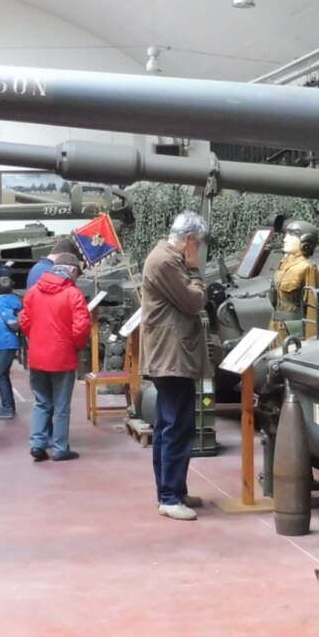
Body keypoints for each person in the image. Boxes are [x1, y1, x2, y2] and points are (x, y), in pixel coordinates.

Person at [141, 211, 209, 521]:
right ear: (189, 240)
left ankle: (174, 490)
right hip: (172, 357)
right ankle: (169, 497)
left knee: (172, 425)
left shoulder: (166, 258)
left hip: (172, 355)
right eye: (198, 243)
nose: (199, 249)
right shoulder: (167, 262)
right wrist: (195, 271)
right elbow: (194, 301)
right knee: (175, 426)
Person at [19, 252, 91, 462]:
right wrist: (75, 346)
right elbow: (81, 327)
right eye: (77, 273)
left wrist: (36, 340)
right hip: (63, 357)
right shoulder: (73, 294)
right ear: (71, 270)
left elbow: (24, 321)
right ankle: (60, 448)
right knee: (61, 406)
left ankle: (37, 444)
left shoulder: (33, 292)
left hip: (38, 356)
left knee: (41, 402)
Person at [268, 219, 319, 344]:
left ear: (305, 241)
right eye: (286, 234)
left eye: (291, 235)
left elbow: (313, 307)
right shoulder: (283, 264)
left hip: (294, 331)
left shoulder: (307, 267)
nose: (285, 239)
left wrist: (311, 340)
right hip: (276, 328)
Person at [0, 276, 22, 419]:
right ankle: (8, 405)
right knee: (3, 374)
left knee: (0, 376)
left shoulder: (1, 303)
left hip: (6, 342)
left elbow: (12, 322)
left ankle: (7, 407)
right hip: (8, 342)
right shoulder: (14, 300)